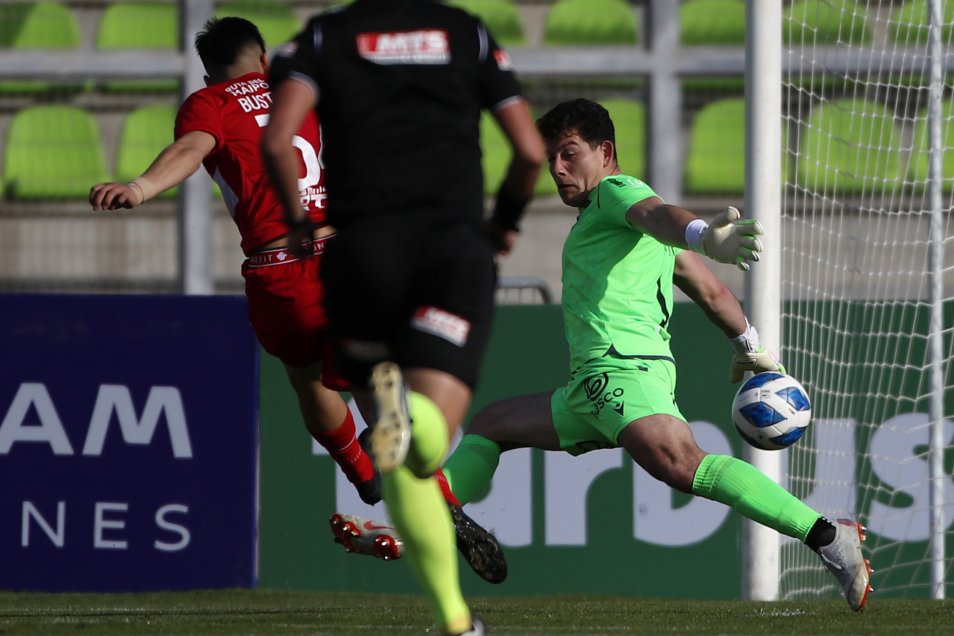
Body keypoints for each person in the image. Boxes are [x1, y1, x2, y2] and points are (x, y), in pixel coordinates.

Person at [429, 98, 871, 611]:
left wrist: (702, 233)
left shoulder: (616, 192)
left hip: (622, 371)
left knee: (681, 463)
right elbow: (711, 291)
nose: (557, 168)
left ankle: (827, 535)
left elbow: (656, 212)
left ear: (605, 152)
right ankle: (433, 510)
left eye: (569, 153)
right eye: (551, 158)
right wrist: (750, 348)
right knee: (490, 425)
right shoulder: (621, 227)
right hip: (589, 388)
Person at [261, 1, 546, 633]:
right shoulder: (465, 33)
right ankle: (410, 421)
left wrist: (301, 223)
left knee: (397, 458)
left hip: (360, 256)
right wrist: (503, 224)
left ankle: (455, 621)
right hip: (450, 251)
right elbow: (529, 151)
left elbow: (277, 141)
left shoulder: (324, 36)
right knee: (427, 440)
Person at [89, 16, 379, 513]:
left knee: (308, 379)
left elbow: (190, 148)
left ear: (208, 75)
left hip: (278, 269)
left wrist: (139, 187)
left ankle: (364, 474)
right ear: (264, 58)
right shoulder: (303, 89)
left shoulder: (210, 103)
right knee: (368, 368)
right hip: (339, 252)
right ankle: (419, 475)